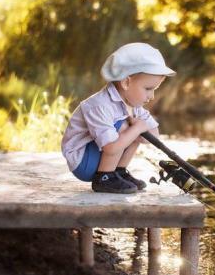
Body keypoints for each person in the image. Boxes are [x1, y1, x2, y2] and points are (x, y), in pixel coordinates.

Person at [61, 42, 176, 194]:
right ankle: (104, 178)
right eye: (148, 89)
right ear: (126, 82)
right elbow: (111, 147)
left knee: (134, 129)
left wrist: (140, 131)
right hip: (82, 161)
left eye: (154, 90)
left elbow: (153, 136)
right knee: (126, 127)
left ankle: (118, 172)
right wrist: (136, 129)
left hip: (98, 156)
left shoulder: (133, 105)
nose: (152, 96)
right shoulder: (100, 105)